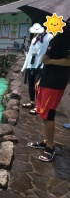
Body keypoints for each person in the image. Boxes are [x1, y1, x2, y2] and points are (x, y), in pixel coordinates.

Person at [27, 20, 70, 162]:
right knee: (43, 113)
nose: (50, 23)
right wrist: (41, 79)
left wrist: (50, 62)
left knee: (49, 114)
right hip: (46, 80)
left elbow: (68, 61)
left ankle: (50, 147)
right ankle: (46, 140)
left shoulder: (67, 37)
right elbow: (46, 59)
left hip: (55, 82)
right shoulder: (55, 37)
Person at [21, 32, 53, 114]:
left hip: (40, 66)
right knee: (30, 85)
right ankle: (32, 102)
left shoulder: (49, 37)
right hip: (31, 65)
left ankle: (38, 106)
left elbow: (50, 53)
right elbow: (29, 54)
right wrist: (24, 68)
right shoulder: (34, 39)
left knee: (37, 86)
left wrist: (45, 65)